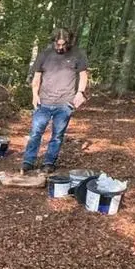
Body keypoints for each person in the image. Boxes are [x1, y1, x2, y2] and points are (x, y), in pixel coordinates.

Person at [21, 28, 89, 173]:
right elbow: (37, 77)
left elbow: (83, 75)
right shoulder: (44, 55)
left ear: (68, 42)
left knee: (57, 135)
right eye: (57, 44)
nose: (60, 47)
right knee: (35, 133)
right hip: (44, 101)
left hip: (65, 103)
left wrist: (80, 93)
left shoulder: (78, 54)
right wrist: (34, 94)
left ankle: (49, 163)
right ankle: (28, 161)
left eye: (63, 45)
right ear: (53, 42)